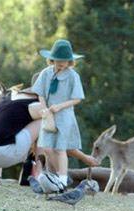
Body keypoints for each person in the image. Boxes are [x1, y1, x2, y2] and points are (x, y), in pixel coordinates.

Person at [31, 39, 96, 189]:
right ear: (52, 59)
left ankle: (62, 177)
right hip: (48, 115)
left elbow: (77, 99)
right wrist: (44, 108)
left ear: (70, 61)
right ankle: (55, 176)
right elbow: (40, 92)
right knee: (47, 147)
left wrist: (59, 106)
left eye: (65, 61)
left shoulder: (73, 76)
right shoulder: (46, 73)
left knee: (60, 148)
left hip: (64, 115)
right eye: (58, 60)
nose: (61, 63)